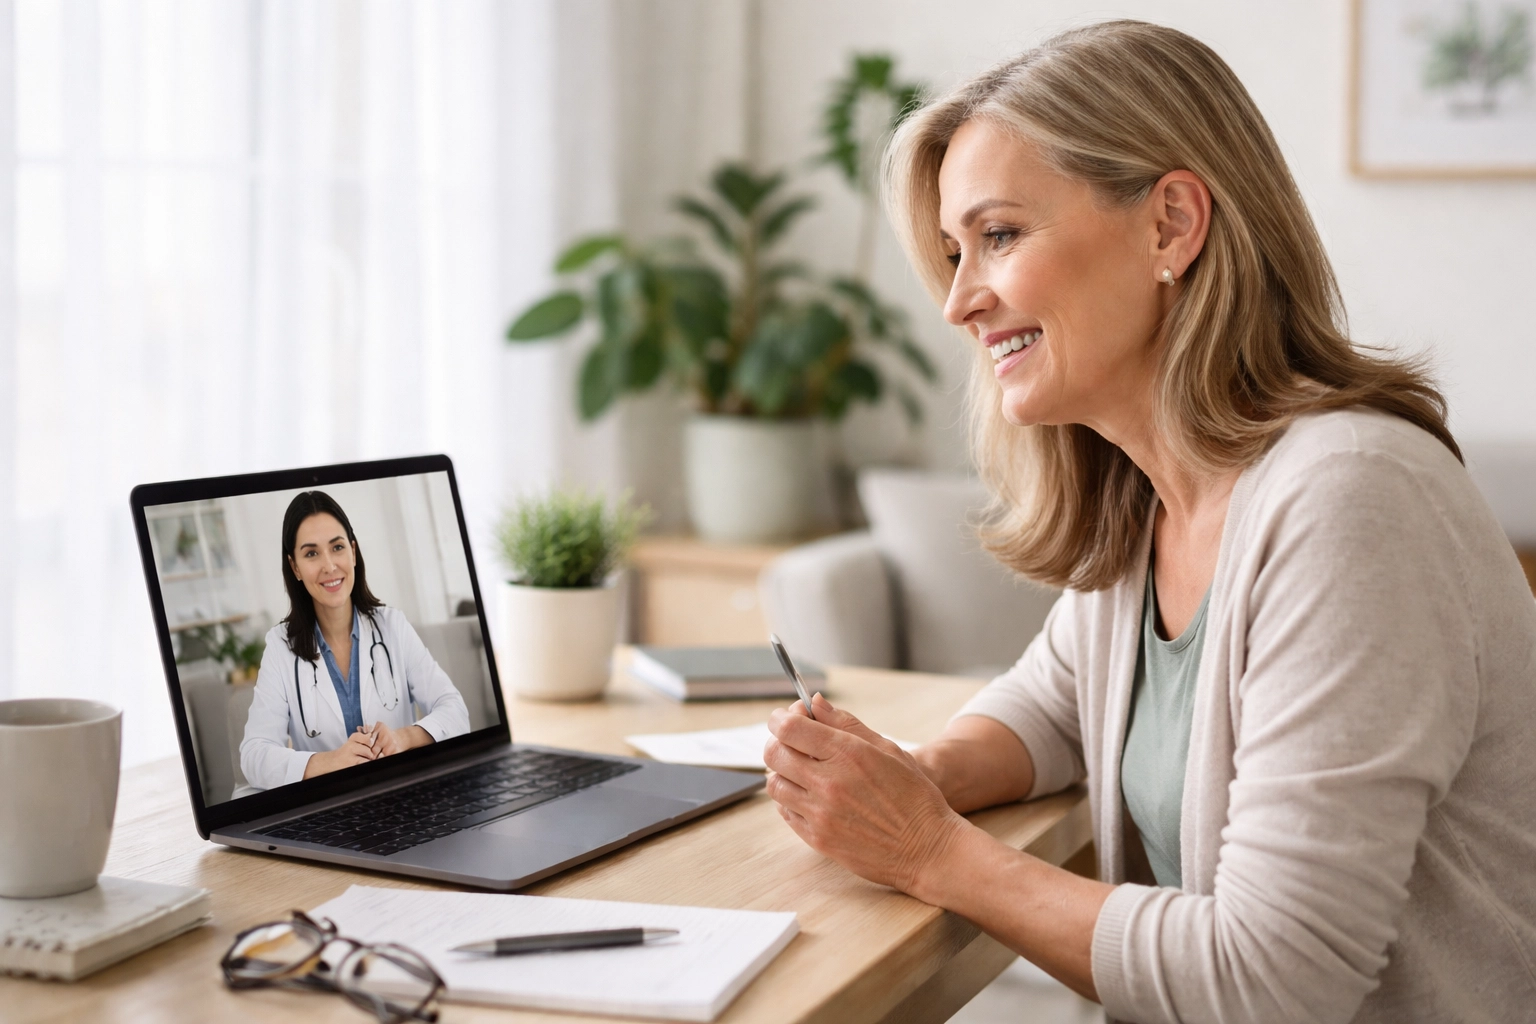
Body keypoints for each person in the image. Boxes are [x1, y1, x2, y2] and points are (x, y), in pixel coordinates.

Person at [761, 21, 1536, 1024]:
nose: (958, 301)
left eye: (998, 236)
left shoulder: (1351, 499)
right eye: (955, 252)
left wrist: (928, 847)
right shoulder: (1153, 497)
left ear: (1170, 224)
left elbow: (1272, 978)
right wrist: (919, 776)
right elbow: (1048, 706)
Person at [240, 490, 470, 792]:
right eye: (311, 553)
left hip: (403, 796)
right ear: (294, 567)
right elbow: (254, 754)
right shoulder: (281, 647)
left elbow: (454, 710)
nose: (329, 566)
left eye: (337, 547)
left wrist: (403, 738)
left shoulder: (393, 627)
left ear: (352, 550)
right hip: (330, 809)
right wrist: (331, 761)